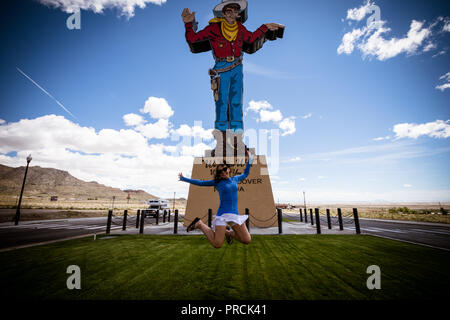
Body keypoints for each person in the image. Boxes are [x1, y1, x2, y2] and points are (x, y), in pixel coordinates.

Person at [182, 1, 283, 133]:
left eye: (235, 12)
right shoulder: (213, 28)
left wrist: (264, 27)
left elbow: (251, 39)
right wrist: (188, 24)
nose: (232, 14)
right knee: (222, 102)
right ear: (223, 13)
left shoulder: (240, 28)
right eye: (229, 11)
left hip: (236, 67)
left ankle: (237, 136)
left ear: (238, 14)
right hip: (221, 67)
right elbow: (193, 39)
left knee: (236, 102)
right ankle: (221, 135)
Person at [178, 149, 253, 248]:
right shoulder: (217, 183)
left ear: (228, 169)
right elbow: (200, 183)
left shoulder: (235, 179)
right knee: (217, 244)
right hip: (222, 215)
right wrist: (184, 178)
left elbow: (246, 173)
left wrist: (250, 158)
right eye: (220, 171)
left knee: (246, 240)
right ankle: (200, 224)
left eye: (224, 169)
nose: (223, 172)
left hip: (234, 215)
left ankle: (228, 233)